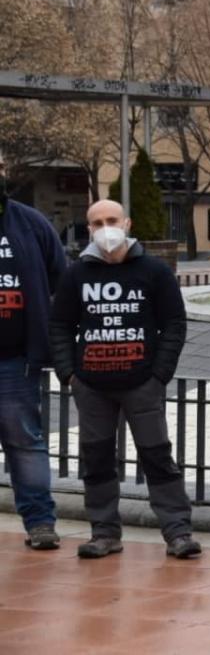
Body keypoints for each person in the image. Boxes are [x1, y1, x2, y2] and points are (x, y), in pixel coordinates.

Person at [49, 200, 199, 559]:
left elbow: (174, 324)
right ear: (89, 229)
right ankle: (104, 533)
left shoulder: (154, 271)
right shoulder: (75, 274)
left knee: (158, 458)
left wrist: (159, 374)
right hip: (92, 386)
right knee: (97, 460)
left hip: (142, 385)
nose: (106, 227)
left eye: (112, 220)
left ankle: (178, 532)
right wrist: (70, 374)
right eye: (97, 222)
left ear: (127, 223)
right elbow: (59, 326)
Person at [0, 148, 65, 551]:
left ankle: (40, 522)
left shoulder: (31, 223)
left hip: (16, 362)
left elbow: (62, 281)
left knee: (25, 443)